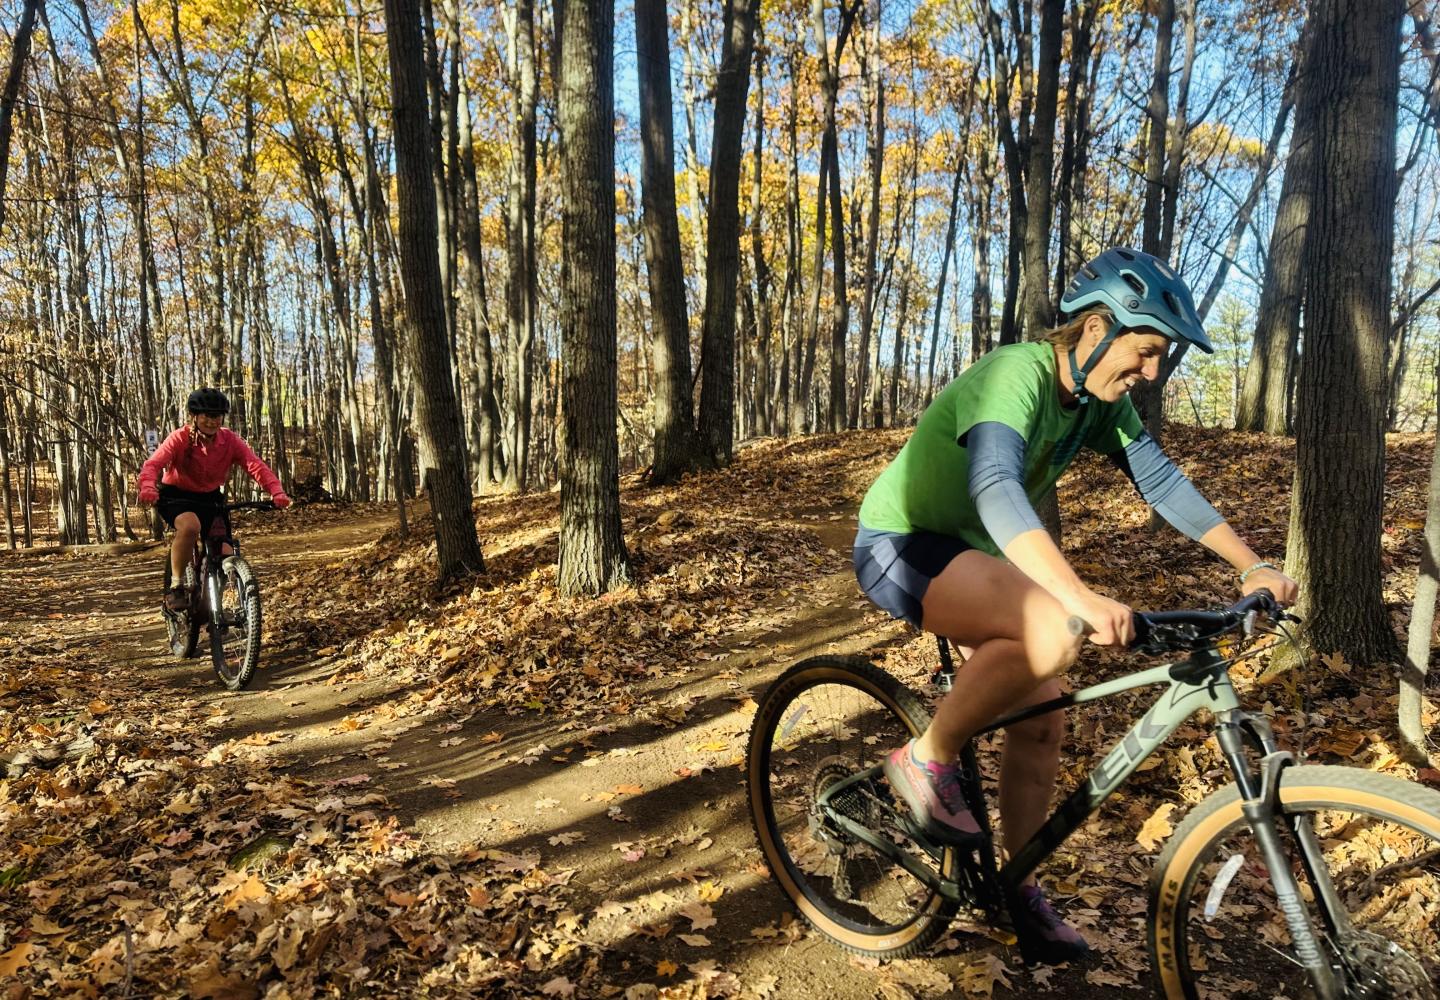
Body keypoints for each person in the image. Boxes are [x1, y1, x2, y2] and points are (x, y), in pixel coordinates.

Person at [852, 247, 1298, 964]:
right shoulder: (1016, 374)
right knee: (1056, 631)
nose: (1152, 373)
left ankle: (1015, 884)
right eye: (1145, 351)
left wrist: (1254, 564)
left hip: (974, 552)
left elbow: (1161, 482)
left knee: (1047, 717)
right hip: (901, 543)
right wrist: (1077, 595)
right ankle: (924, 756)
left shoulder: (1096, 405)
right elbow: (995, 485)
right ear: (1094, 330)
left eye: (1161, 358)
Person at [137, 388, 291, 612]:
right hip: (177, 496)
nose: (211, 421)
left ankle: (211, 607)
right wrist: (149, 486)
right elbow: (153, 464)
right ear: (195, 416)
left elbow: (254, 465)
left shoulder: (229, 440)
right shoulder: (180, 438)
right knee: (190, 527)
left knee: (225, 552)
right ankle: (177, 586)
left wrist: (276, 491)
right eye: (206, 415)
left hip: (210, 498)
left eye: (216, 416)